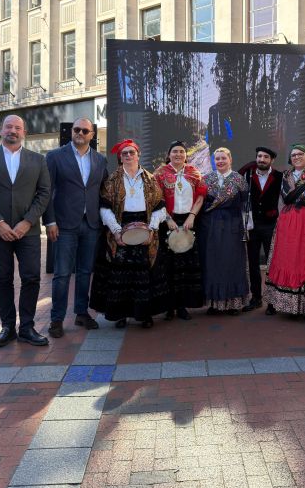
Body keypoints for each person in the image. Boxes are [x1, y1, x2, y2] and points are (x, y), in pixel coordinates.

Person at [0, 115, 51, 347]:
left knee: (31, 277)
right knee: (3, 278)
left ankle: (27, 326)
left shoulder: (38, 160)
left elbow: (44, 193)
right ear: (1, 129)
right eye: (9, 126)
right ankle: (7, 327)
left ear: (24, 132)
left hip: (29, 230)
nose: (13, 130)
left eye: (17, 127)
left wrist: (27, 222)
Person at [90, 139, 168, 328]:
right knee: (121, 275)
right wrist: (116, 231)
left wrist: (151, 228)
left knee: (145, 273)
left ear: (138, 155)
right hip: (120, 226)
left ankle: (145, 314)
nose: (128, 156)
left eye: (131, 153)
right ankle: (121, 314)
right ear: (120, 157)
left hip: (146, 227)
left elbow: (160, 207)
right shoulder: (112, 180)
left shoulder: (150, 178)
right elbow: (105, 208)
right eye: (124, 153)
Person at [43, 118, 108, 338]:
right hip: (63, 225)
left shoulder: (100, 160)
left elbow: (103, 193)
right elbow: (46, 192)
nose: (80, 133)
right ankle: (57, 319)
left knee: (84, 272)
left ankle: (81, 312)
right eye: (76, 129)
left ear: (92, 135)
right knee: (61, 274)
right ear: (72, 131)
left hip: (91, 224)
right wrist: (49, 221)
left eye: (85, 130)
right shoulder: (54, 157)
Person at [265, 145, 305, 318]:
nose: (297, 157)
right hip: (287, 219)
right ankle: (288, 304)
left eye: (300, 154)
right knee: (287, 257)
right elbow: (283, 196)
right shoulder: (285, 175)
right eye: (293, 155)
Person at [154, 140, 207, 320]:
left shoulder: (194, 173)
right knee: (168, 265)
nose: (178, 155)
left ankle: (183, 305)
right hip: (168, 221)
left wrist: (192, 216)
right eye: (175, 151)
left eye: (181, 152)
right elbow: (156, 200)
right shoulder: (160, 174)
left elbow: (200, 196)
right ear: (169, 154)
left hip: (189, 222)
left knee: (186, 264)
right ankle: (169, 306)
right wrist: (167, 218)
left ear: (186, 155)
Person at [198, 147, 249, 315]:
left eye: (223, 158)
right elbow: (203, 204)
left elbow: (245, 205)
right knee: (213, 263)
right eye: (217, 159)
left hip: (232, 225)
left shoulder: (239, 179)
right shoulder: (206, 179)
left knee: (232, 262)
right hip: (212, 225)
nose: (220, 161)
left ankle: (233, 304)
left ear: (230, 159)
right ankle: (214, 303)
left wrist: (246, 227)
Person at [238, 147, 282, 311]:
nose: (261, 159)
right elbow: (236, 177)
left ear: (271, 160)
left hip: (270, 224)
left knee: (272, 263)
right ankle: (256, 298)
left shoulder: (279, 176)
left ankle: (272, 300)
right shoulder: (248, 174)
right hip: (252, 225)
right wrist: (246, 167)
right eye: (259, 156)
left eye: (265, 157)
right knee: (253, 262)